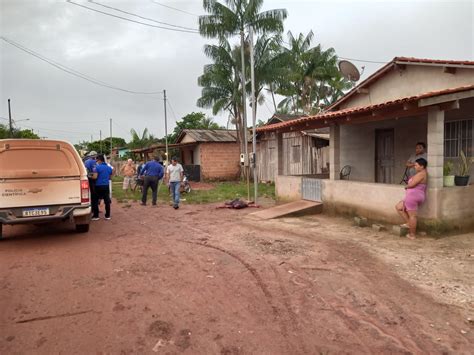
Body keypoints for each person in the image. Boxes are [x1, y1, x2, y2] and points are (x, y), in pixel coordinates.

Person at [395, 158, 428, 240]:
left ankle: (412, 235)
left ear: (422, 166)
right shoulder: (422, 173)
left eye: (416, 165)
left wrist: (406, 186)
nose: (414, 167)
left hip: (413, 196)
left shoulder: (422, 174)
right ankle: (409, 223)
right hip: (414, 195)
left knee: (412, 216)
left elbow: (412, 184)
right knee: (399, 207)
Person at [91, 154, 113, 221]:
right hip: (106, 186)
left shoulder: (96, 168)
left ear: (99, 160)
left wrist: (90, 176)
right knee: (107, 201)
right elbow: (110, 178)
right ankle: (107, 216)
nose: (96, 162)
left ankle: (96, 216)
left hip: (98, 186)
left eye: (97, 160)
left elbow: (95, 177)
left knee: (95, 200)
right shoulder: (109, 168)